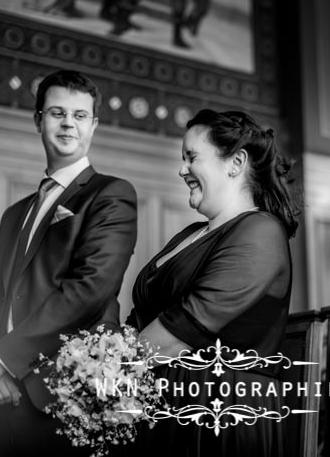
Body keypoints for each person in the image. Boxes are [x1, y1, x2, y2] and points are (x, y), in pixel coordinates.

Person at [0, 70, 138, 457]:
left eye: (80, 115)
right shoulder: (15, 214)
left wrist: (2, 360)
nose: (68, 124)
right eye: (57, 113)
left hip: (65, 392)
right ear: (38, 121)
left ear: (93, 125)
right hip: (1, 397)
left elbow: (89, 290)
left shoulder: (111, 194)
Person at [125, 109, 300, 456]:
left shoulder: (260, 231)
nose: (181, 169)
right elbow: (141, 318)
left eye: (192, 157)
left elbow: (186, 326)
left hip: (219, 409)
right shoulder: (190, 234)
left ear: (235, 163)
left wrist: (104, 372)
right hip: (157, 402)